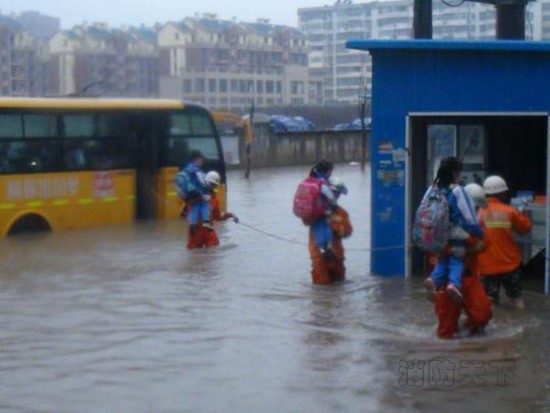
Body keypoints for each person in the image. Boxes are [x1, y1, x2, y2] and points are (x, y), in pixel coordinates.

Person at [434, 183, 492, 339]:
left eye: (477, 209)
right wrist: (451, 250)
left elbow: (485, 244)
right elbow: (435, 248)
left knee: (482, 314)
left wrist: (469, 248)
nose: (477, 212)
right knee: (445, 330)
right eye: (475, 208)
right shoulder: (445, 224)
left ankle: (469, 331)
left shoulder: (478, 226)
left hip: (470, 278)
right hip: (449, 282)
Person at [424, 157, 484, 302]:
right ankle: (453, 285)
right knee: (457, 259)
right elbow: (469, 218)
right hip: (455, 234)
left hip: (437, 236)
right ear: (454, 172)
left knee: (444, 260)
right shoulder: (458, 190)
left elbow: (423, 212)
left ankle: (434, 280)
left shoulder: (432, 189)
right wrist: (478, 234)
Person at [477, 175, 532, 309]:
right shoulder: (510, 211)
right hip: (510, 263)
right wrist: (523, 212)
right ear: (502, 193)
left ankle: (495, 328)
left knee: (489, 302)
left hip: (486, 264)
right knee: (516, 299)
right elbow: (525, 229)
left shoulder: (477, 212)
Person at [309, 176, 353, 285]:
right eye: (335, 193)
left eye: (338, 194)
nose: (336, 196)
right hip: (319, 258)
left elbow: (348, 231)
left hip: (336, 256)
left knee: (339, 286)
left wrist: (335, 227)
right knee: (322, 287)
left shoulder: (341, 213)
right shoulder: (316, 212)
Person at [186, 171, 238, 250]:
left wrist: (230, 215)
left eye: (214, 185)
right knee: (194, 252)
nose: (212, 186)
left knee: (214, 250)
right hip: (196, 230)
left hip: (208, 230)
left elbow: (217, 216)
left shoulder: (214, 199)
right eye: (211, 184)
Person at [308, 160, 338, 260]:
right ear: (326, 171)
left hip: (312, 210)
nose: (331, 173)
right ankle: (325, 250)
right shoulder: (321, 181)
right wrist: (334, 204)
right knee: (325, 227)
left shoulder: (312, 177)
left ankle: (323, 250)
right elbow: (329, 196)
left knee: (318, 230)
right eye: (330, 171)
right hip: (321, 210)